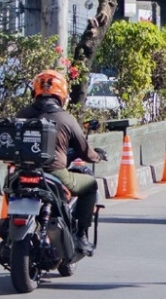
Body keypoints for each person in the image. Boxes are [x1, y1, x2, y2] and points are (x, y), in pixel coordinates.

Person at [16, 69, 103, 252]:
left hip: (20, 174)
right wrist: (98, 156)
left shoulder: (21, 114)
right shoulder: (65, 118)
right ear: (62, 93)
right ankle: (81, 234)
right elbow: (85, 152)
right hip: (54, 174)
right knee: (91, 185)